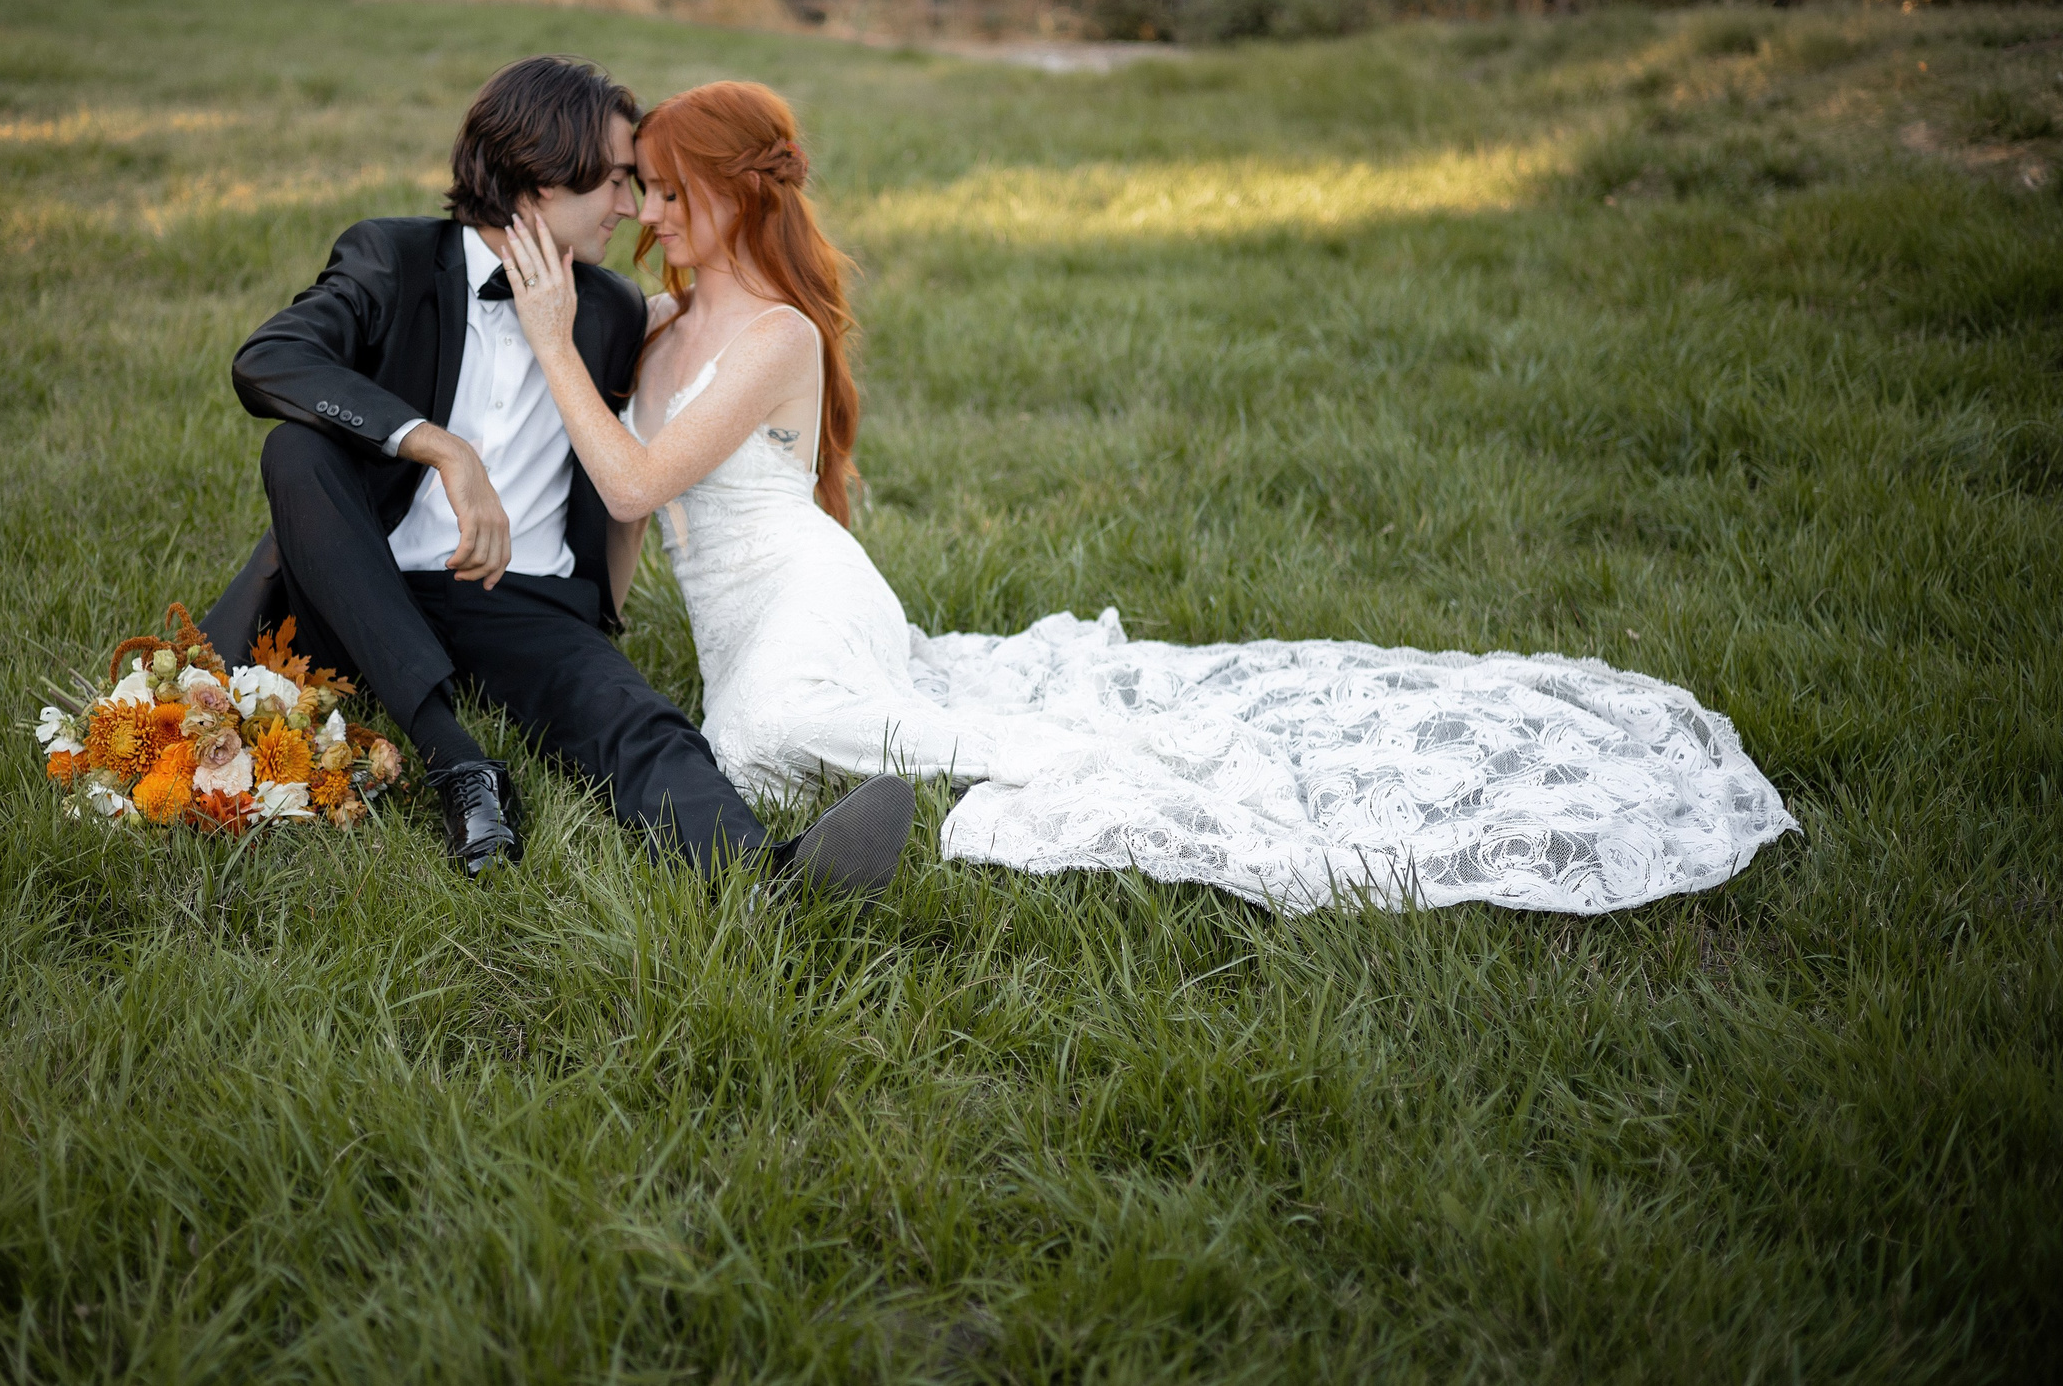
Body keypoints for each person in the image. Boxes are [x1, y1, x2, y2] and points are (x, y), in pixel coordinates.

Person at [490, 80, 1800, 914]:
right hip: (741, 619)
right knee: (754, 748)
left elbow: (639, 471)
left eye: (667, 190)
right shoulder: (660, 330)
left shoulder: (775, 334)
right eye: (643, 192)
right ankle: (874, 791)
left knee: (778, 724)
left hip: (808, 597)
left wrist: (555, 344)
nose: (651, 213)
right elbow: (619, 513)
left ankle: (1070, 774)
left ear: (728, 189)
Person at [202, 56, 912, 892]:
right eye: (616, 181)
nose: (632, 207)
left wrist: (599, 613)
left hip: (529, 603)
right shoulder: (391, 258)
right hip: (368, 586)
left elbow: (657, 441)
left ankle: (762, 875)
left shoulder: (611, 311)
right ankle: (459, 764)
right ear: (538, 184)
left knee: (637, 719)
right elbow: (269, 359)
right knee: (297, 448)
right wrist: (442, 448)